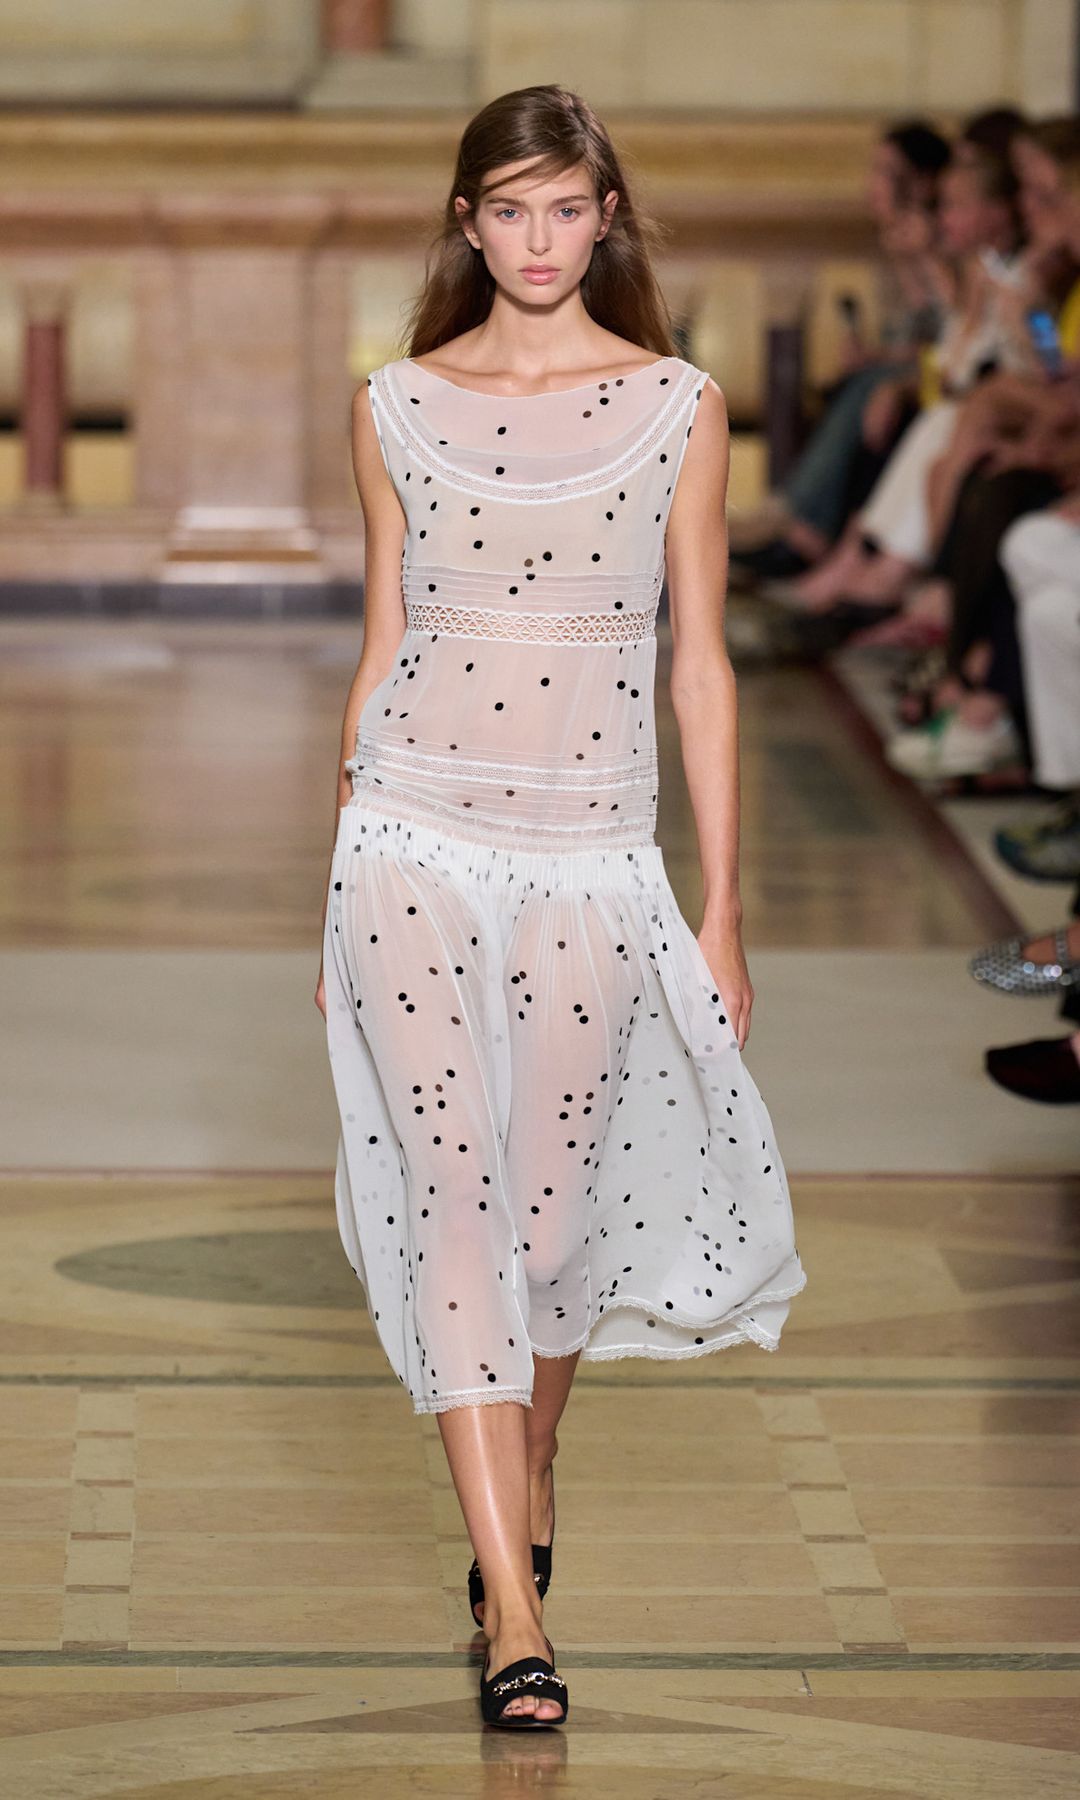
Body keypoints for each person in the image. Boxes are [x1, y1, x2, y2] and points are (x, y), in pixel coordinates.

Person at [313, 84, 806, 1730]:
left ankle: (528, 1489)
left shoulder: (677, 404)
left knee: (548, 1225)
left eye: (565, 208)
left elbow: (702, 663)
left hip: (595, 851)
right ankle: (514, 1608)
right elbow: (383, 640)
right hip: (411, 839)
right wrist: (335, 871)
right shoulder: (392, 404)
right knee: (454, 1200)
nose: (536, 240)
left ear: (607, 219)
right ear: (467, 223)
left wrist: (721, 907)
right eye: (506, 210)